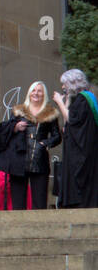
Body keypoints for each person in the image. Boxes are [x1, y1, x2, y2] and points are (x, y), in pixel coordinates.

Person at [0, 81, 60, 212]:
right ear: (29, 93)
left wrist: (44, 144)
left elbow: (57, 136)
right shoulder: (18, 111)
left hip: (39, 159)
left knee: (40, 202)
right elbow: (6, 131)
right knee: (18, 203)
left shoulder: (51, 113)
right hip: (19, 160)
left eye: (39, 91)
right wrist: (15, 127)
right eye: (33, 90)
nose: (36, 93)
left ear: (44, 94)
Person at [54, 69, 98, 208]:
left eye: (64, 84)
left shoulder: (83, 98)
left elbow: (72, 119)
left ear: (72, 83)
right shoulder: (84, 99)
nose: (63, 87)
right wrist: (66, 102)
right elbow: (70, 125)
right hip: (85, 148)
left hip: (82, 152)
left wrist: (59, 102)